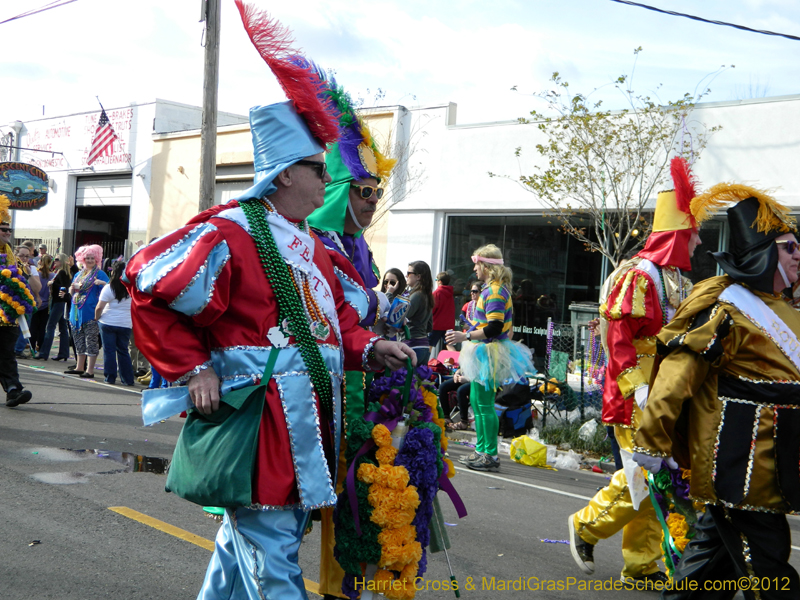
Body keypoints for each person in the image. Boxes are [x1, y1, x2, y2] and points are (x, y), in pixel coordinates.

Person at [125, 7, 415, 597]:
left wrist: (371, 346)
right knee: (273, 553)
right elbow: (149, 289)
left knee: (249, 547)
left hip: (310, 418)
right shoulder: (229, 232)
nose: (326, 180)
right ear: (284, 175)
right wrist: (192, 367)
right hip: (261, 420)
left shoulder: (313, 246)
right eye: (316, 169)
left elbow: (331, 328)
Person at [633, 185, 800, 599]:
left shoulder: (784, 306)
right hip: (739, 463)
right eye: (789, 246)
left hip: (772, 461)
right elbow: (677, 374)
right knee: (769, 565)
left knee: (709, 570)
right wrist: (652, 441)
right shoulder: (726, 307)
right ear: (762, 254)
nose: (799, 254)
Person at [566, 158, 703, 588]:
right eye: (694, 233)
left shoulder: (673, 277)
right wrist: (639, 390)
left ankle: (641, 564)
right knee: (643, 474)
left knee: (653, 479)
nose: (699, 242)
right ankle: (585, 526)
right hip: (635, 394)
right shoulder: (641, 275)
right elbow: (619, 338)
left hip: (659, 393)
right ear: (678, 235)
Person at [306, 77, 398, 600]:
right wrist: (373, 308)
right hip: (315, 394)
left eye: (377, 193)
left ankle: (342, 591)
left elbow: (366, 307)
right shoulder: (313, 242)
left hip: (355, 386)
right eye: (365, 191)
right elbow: (344, 311)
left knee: (351, 505)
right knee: (288, 514)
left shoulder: (356, 247)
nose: (372, 201)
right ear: (342, 191)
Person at [445, 244, 534, 472]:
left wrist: (465, 334)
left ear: (486, 266)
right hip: (483, 351)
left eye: (477, 264)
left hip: (489, 352)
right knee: (477, 402)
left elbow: (494, 327)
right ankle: (482, 450)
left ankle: (489, 454)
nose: (474, 268)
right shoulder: (490, 289)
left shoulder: (494, 291)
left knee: (484, 405)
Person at [0, 196, 34, 407]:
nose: (7, 233)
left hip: (7, 314)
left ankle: (14, 390)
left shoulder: (11, 254)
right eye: (3, 229)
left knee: (6, 353)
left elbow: (17, 281)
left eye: (9, 230)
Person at [65, 244, 108, 378]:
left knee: (91, 340)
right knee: (78, 339)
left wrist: (101, 283)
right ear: (82, 259)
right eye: (87, 258)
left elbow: (110, 289)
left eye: (92, 258)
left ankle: (90, 370)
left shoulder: (100, 274)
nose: (89, 260)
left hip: (90, 311)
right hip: (76, 310)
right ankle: (79, 367)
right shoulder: (78, 274)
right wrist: (71, 290)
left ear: (97, 259)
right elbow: (71, 290)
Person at [95, 261, 134, 386]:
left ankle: (110, 377)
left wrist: (96, 318)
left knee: (109, 350)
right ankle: (128, 379)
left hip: (108, 321)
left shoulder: (109, 287)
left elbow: (99, 307)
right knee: (123, 350)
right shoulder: (132, 288)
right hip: (126, 322)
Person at [38, 253, 72, 361]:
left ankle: (44, 353)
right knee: (62, 328)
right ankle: (64, 353)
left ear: (62, 261)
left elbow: (64, 287)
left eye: (57, 259)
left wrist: (52, 283)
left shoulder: (62, 272)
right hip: (59, 301)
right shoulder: (61, 272)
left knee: (50, 326)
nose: (54, 261)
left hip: (59, 301)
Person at [13, 243, 42, 357]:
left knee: (25, 325)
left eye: (27, 256)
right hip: (11, 300)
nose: (24, 258)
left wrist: (29, 274)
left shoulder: (32, 268)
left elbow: (37, 287)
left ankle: (18, 349)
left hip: (25, 300)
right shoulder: (10, 266)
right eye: (21, 256)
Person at [405, 260, 434, 364]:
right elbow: (430, 326)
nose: (406, 275)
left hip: (412, 344)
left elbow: (401, 318)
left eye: (409, 273)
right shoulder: (427, 295)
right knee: (418, 380)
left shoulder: (416, 295)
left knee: (403, 379)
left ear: (418, 276)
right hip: (424, 346)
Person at [30, 254, 55, 354]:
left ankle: (32, 347)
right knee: (42, 327)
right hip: (46, 305)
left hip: (36, 302)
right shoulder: (53, 276)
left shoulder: (37, 274)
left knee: (33, 326)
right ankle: (40, 347)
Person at [429, 271, 455, 352]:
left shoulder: (437, 293)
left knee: (429, 345)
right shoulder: (450, 294)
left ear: (439, 281)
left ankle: (423, 363)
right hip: (448, 325)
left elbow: (432, 309)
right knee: (449, 345)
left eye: (436, 279)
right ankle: (457, 362)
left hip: (436, 325)